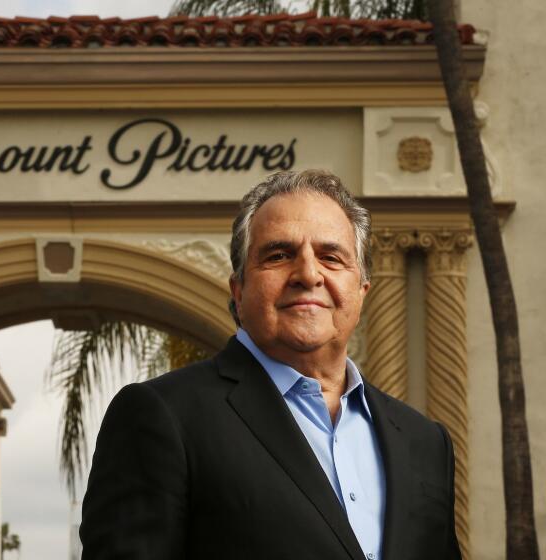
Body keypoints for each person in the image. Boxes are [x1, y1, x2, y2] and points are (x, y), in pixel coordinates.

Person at [80, 170, 461, 560]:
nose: (309, 274)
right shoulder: (164, 417)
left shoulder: (424, 441)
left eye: (331, 257)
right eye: (279, 255)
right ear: (239, 289)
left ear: (361, 291)